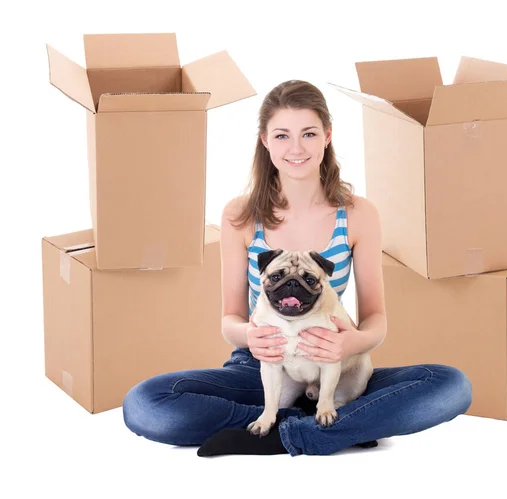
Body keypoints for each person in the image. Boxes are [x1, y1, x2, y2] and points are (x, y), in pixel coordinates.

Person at [122, 80, 472, 457]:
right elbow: (229, 318)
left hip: (336, 365)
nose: (296, 148)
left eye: (308, 133)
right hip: (264, 364)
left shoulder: (357, 214)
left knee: (450, 385)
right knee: (147, 404)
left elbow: (376, 321)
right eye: (282, 135)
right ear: (264, 140)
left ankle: (280, 433)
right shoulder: (240, 216)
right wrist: (249, 336)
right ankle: (333, 424)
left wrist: (349, 343)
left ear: (327, 136)